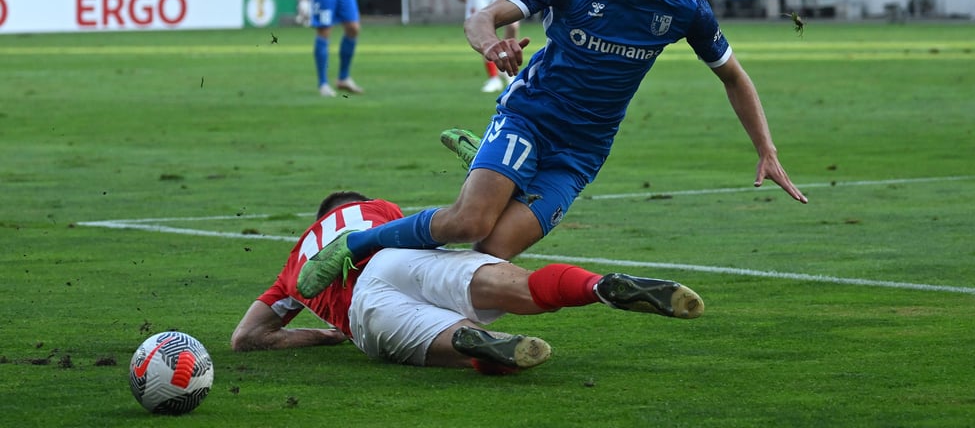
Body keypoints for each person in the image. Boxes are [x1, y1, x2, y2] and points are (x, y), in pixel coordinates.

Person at [296, 0, 806, 300]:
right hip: (529, 117)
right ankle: (355, 246)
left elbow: (733, 76)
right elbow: (481, 16)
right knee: (471, 221)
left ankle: (484, 197)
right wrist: (491, 45)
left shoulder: (683, 4)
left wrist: (768, 149)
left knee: (491, 249)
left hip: (583, 150)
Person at [232, 188, 704, 374]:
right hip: (396, 254)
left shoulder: (295, 263)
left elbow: (247, 338)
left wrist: (323, 334)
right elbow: (429, 233)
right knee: (525, 287)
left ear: (318, 222)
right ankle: (598, 286)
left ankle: (482, 345)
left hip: (364, 310)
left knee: (451, 338)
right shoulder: (379, 211)